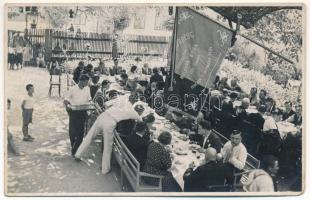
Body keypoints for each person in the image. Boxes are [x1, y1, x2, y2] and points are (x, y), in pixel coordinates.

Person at [75, 90, 141, 174]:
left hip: (103, 116)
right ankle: (105, 169)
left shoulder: (122, 98)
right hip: (110, 122)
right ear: (135, 102)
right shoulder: (132, 111)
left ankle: (78, 154)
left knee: (89, 136)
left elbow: (106, 104)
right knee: (107, 147)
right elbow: (140, 120)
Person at [64, 74, 91, 156]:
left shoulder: (87, 89)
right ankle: (73, 146)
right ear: (81, 81)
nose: (87, 83)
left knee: (81, 133)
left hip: (83, 112)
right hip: (74, 112)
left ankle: (75, 151)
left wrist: (90, 104)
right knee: (72, 132)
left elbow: (89, 99)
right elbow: (66, 100)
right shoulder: (73, 89)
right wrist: (68, 106)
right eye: (86, 82)